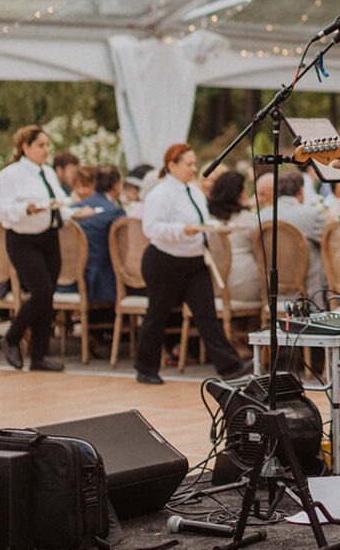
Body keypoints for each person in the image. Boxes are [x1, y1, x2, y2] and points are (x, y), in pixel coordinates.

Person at [135, 143, 251, 386]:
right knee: (157, 314)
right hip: (164, 260)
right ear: (172, 166)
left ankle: (230, 367)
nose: (193, 168)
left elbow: (202, 221)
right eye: (188, 164)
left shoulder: (195, 191)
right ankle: (146, 368)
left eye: (193, 163)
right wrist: (183, 230)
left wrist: (214, 229)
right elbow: (151, 228)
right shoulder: (160, 194)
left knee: (206, 314)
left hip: (194, 260)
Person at [0, 125, 73, 372]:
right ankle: (12, 337)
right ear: (25, 147)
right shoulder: (10, 174)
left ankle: (39, 356)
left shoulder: (47, 172)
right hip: (23, 240)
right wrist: (25, 209)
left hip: (49, 237)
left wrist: (75, 213)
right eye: (41, 145)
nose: (46, 150)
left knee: (48, 298)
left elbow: (60, 203)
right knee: (42, 292)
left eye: (48, 145)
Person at [258, 170, 327, 300]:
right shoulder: (313, 215)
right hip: (309, 293)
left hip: (274, 294)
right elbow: (329, 244)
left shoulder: (262, 216)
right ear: (301, 191)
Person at [209, 169, 262, 303]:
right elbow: (262, 252)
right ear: (238, 195)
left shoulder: (209, 221)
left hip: (213, 285)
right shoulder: (248, 220)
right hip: (244, 284)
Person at [75, 164, 124, 304]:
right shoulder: (115, 212)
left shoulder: (74, 209)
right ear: (116, 185)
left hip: (69, 277)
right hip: (101, 281)